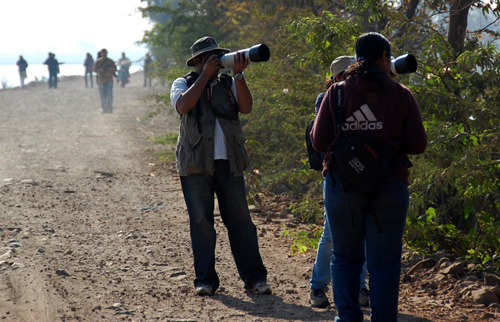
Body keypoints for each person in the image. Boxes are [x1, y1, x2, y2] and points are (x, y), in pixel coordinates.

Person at [311, 32, 427, 321]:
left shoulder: (335, 93)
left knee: (346, 257)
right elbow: (418, 145)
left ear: (357, 58)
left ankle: (347, 317)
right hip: (390, 187)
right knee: (384, 264)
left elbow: (318, 141)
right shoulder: (401, 94)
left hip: (342, 188)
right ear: (385, 58)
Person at [170, 36, 271, 296]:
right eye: (209, 57)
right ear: (197, 62)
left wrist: (238, 75)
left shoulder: (228, 84)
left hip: (229, 162)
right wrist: (204, 77)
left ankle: (255, 278)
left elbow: (246, 108)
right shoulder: (183, 83)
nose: (215, 61)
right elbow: (182, 106)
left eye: (217, 56)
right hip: (195, 166)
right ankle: (205, 280)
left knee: (241, 222)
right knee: (202, 223)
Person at [309, 55, 370, 309]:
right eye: (344, 75)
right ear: (334, 79)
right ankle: (318, 288)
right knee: (331, 234)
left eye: (352, 72)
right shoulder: (327, 99)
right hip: (336, 173)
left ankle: (359, 288)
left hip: (363, 173)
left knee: (363, 233)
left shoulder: (365, 96)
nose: (349, 78)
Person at [94, 49, 117, 113]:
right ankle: (104, 109)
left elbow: (115, 69)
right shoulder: (98, 61)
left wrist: (111, 69)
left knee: (109, 95)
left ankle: (109, 109)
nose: (104, 54)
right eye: (102, 53)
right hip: (101, 80)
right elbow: (95, 69)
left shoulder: (110, 61)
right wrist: (100, 70)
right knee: (103, 95)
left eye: (105, 53)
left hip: (109, 79)